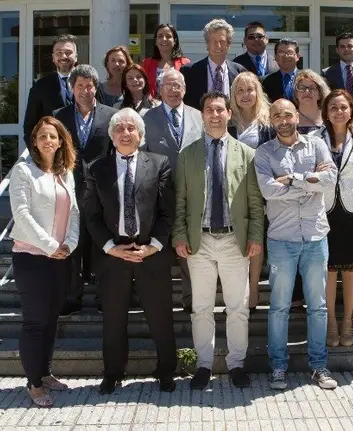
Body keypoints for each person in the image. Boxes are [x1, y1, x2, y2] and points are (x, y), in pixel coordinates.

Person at [82, 108, 178, 394]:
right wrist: (111, 248)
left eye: (131, 128)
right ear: (112, 136)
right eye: (119, 129)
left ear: (140, 135)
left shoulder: (159, 164)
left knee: (161, 315)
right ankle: (112, 372)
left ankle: (166, 371)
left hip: (151, 253)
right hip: (113, 255)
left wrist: (154, 246)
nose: (125, 133)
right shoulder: (96, 168)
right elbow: (91, 216)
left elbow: (167, 212)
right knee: (113, 318)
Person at [172, 92, 264, 390]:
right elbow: (181, 201)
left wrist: (254, 237)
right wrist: (180, 235)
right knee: (201, 307)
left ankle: (236, 363)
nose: (214, 114)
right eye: (208, 109)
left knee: (237, 306)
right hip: (199, 242)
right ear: (202, 115)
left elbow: (254, 203)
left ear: (229, 114)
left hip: (233, 240)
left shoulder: (246, 154)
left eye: (220, 109)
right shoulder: (188, 155)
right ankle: (203, 364)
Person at [255, 98, 339, 391]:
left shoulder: (316, 145)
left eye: (287, 114)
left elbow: (330, 179)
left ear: (296, 116)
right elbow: (268, 190)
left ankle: (319, 366)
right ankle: (278, 367)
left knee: (318, 306)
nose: (283, 119)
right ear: (272, 120)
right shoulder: (264, 153)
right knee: (279, 307)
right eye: (277, 115)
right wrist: (307, 186)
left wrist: (293, 179)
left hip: (316, 237)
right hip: (282, 239)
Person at [9, 116, 79, 407]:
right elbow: (21, 214)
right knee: (36, 322)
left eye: (53, 136)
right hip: (32, 257)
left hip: (60, 257)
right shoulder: (23, 171)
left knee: (52, 319)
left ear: (61, 140)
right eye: (42, 137)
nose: (47, 141)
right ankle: (34, 384)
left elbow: (74, 212)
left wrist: (70, 244)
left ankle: (46, 373)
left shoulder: (65, 173)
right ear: (34, 142)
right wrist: (50, 245)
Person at [309, 90, 353, 347]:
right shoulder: (314, 138)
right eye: (333, 107)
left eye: (344, 107)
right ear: (325, 111)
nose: (339, 111)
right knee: (327, 270)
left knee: (350, 270)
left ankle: (348, 321)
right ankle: (331, 322)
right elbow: (309, 175)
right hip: (323, 211)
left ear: (351, 111)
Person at [54, 64, 118, 316]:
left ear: (96, 87)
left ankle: (104, 296)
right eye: (79, 86)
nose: (84, 90)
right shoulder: (59, 116)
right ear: (72, 89)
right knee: (73, 244)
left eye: (89, 85)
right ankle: (72, 296)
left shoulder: (112, 115)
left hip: (102, 192)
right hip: (69, 191)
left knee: (102, 244)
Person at [143, 68, 204, 314]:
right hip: (158, 195)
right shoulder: (147, 118)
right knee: (161, 250)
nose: (173, 89)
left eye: (178, 85)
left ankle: (192, 299)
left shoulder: (199, 116)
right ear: (159, 89)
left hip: (191, 194)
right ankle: (160, 301)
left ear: (185, 89)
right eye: (168, 85)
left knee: (191, 250)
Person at [227, 71, 275, 312]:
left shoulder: (268, 124)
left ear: (258, 92)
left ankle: (254, 289)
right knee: (234, 241)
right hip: (232, 191)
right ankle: (237, 292)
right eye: (240, 90)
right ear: (233, 95)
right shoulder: (227, 123)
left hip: (260, 189)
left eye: (250, 89)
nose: (245, 95)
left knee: (255, 240)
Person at [23, 34, 78, 150]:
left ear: (76, 57)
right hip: (53, 155)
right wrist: (38, 157)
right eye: (58, 53)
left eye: (68, 52)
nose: (63, 56)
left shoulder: (88, 83)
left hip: (84, 157)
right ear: (53, 58)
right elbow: (30, 127)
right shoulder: (40, 87)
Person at [182, 19, 247, 108]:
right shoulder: (189, 71)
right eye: (214, 41)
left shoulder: (239, 72)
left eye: (222, 41)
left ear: (229, 45)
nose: (218, 46)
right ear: (207, 44)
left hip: (232, 121)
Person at [142, 24, 191, 98]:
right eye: (160, 36)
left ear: (174, 41)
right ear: (156, 41)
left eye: (168, 36)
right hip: (153, 107)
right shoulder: (147, 63)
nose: (164, 39)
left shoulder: (184, 63)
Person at [294, 69, 331, 134]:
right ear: (296, 94)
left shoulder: (329, 117)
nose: (307, 91)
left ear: (320, 94)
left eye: (312, 88)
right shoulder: (290, 117)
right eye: (302, 88)